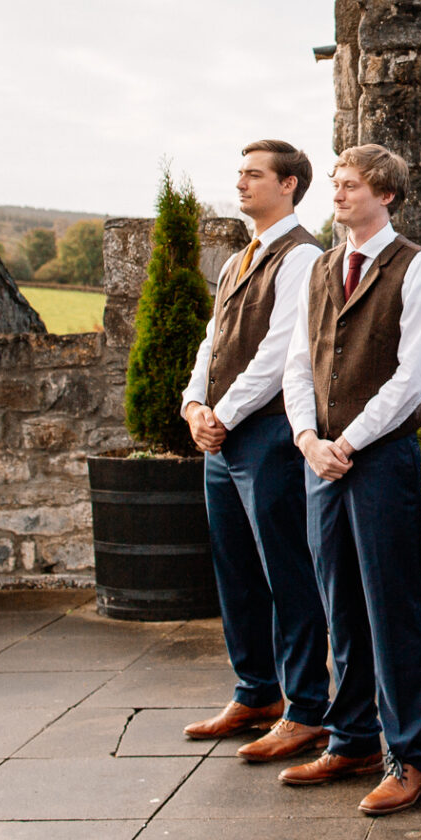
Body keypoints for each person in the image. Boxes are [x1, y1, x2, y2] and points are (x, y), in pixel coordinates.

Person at [280, 144, 421, 816]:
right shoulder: (321, 268)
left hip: (379, 462)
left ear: (386, 192)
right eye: (337, 184)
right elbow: (299, 362)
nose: (337, 193)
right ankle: (350, 739)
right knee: (339, 605)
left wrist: (346, 442)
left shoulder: (419, 268)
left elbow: (413, 378)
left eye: (349, 184)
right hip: (321, 461)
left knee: (391, 610)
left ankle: (408, 758)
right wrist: (306, 440)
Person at [178, 139, 331, 762]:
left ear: (289, 184)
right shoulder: (238, 260)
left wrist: (224, 414)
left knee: (286, 572)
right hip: (222, 437)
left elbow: (279, 352)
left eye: (253, 174)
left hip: (267, 436)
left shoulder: (303, 258)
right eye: (238, 173)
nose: (240, 183)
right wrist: (193, 406)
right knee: (235, 569)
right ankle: (256, 691)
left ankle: (306, 709)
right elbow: (212, 343)